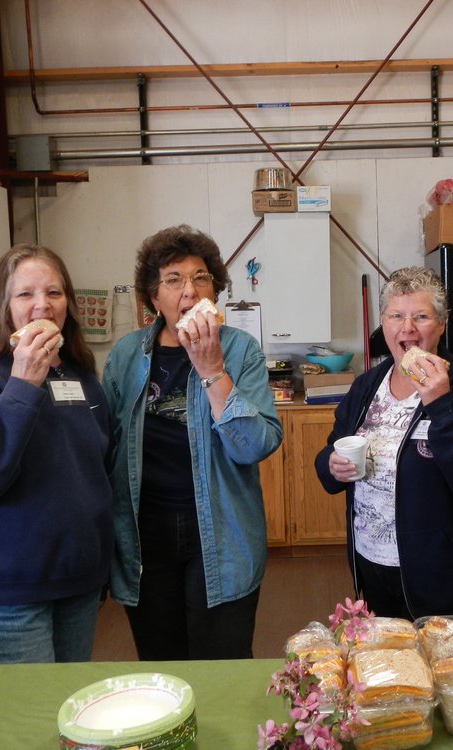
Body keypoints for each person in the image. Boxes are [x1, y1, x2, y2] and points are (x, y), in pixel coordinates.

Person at [103, 225, 282, 660]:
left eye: (201, 277)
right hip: (145, 537)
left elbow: (256, 445)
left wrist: (212, 369)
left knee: (222, 664)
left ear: (214, 291)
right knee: (161, 664)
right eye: (173, 279)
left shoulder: (240, 350)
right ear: (153, 297)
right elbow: (105, 447)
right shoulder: (126, 355)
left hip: (222, 533)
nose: (189, 289)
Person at [0, 244, 114, 664]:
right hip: (7, 590)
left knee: (70, 712)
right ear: (3, 306)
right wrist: (21, 385)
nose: (43, 305)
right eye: (25, 294)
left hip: (76, 581)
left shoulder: (80, 375)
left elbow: (97, 470)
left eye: (54, 293)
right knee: (26, 719)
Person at [314, 266, 453, 620]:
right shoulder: (367, 386)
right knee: (389, 667)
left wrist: (442, 404)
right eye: (396, 316)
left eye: (420, 316)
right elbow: (332, 450)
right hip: (373, 563)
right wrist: (332, 465)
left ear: (441, 323)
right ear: (384, 323)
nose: (407, 328)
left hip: (444, 575)